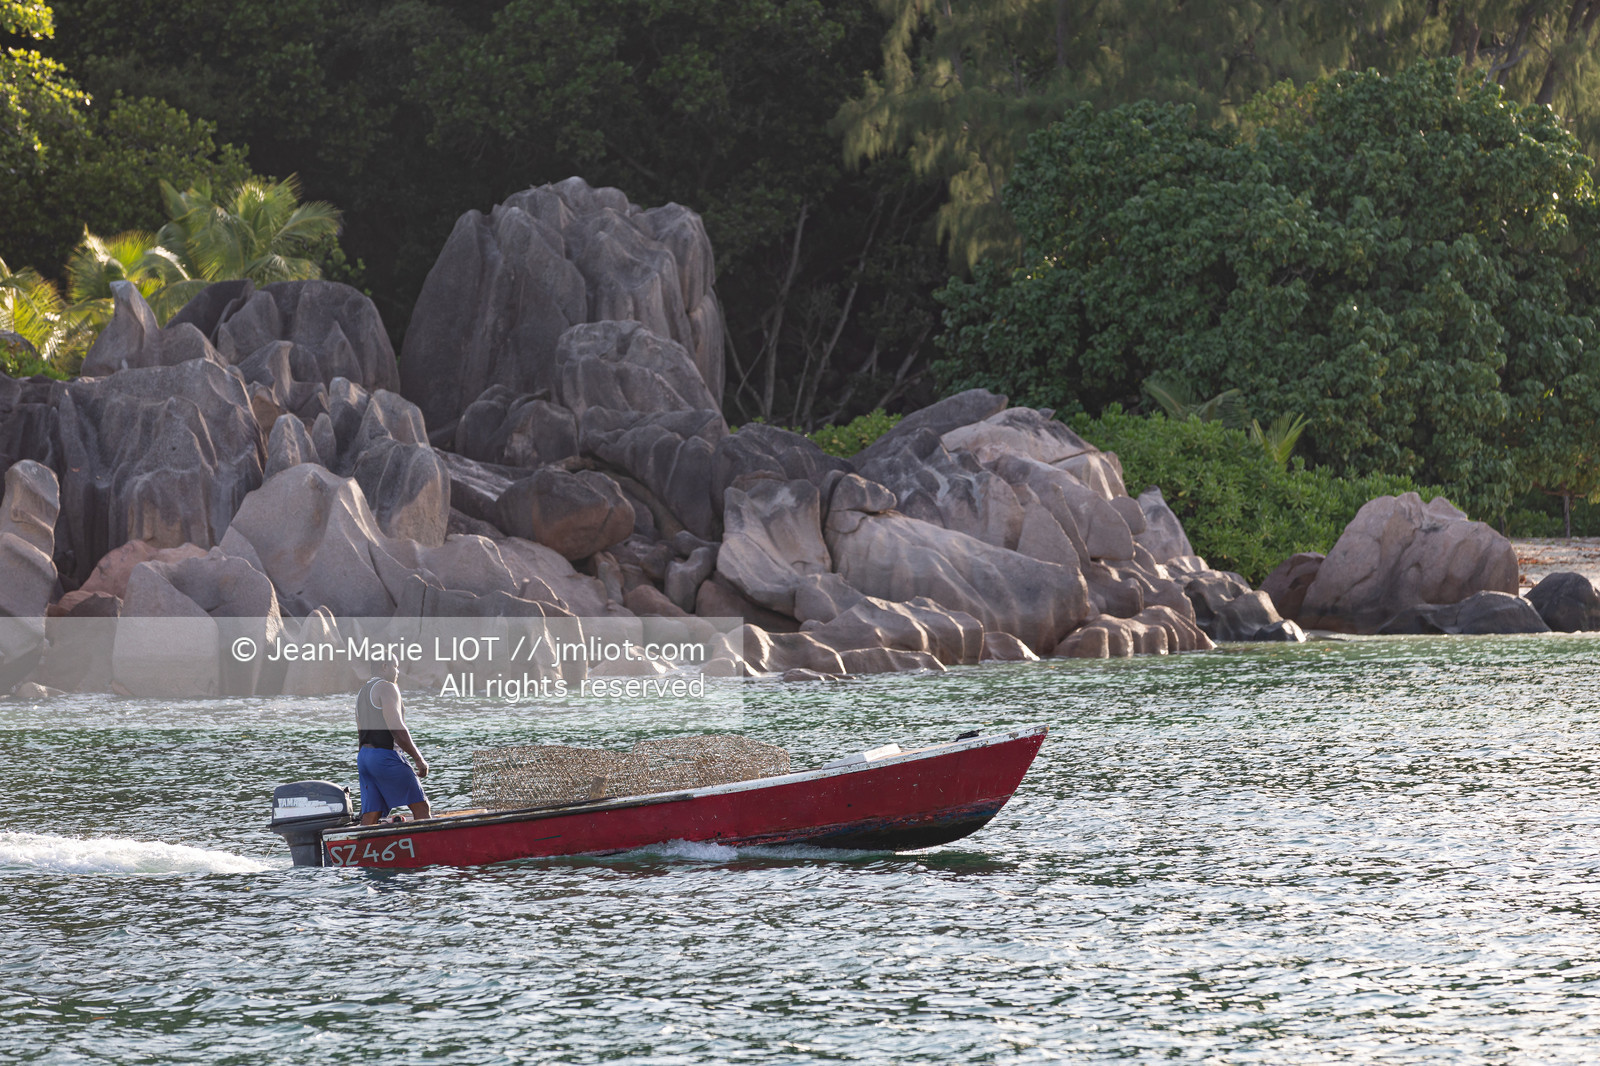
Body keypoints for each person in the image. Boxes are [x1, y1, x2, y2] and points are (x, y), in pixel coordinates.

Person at [356, 658, 431, 825]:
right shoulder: (387, 687)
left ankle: (360, 848)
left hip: (364, 757)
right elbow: (397, 728)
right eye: (396, 667)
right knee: (421, 807)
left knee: (371, 815)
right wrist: (418, 759)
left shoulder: (361, 693)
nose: (398, 672)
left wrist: (365, 761)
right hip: (385, 756)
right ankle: (424, 848)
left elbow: (360, 732)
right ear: (384, 666)